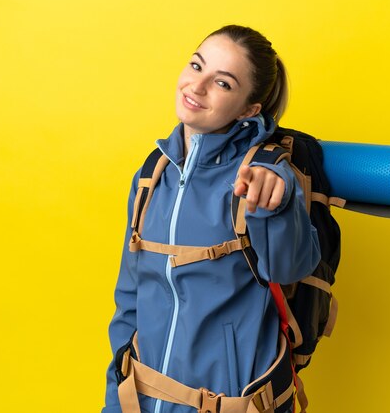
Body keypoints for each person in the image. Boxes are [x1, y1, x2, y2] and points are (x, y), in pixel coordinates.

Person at [102, 24, 321, 413]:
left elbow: (290, 266)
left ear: (249, 109)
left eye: (222, 83)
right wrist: (115, 401)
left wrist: (279, 200)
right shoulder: (152, 175)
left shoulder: (264, 177)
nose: (196, 87)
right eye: (195, 65)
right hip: (142, 400)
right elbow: (128, 304)